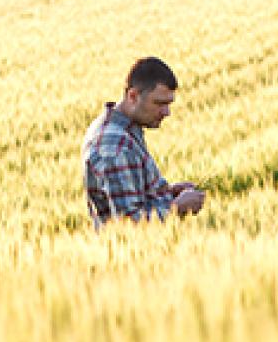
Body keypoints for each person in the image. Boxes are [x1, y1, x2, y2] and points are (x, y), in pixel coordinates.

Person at [82, 56, 205, 229]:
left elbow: (131, 195)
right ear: (133, 96)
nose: (167, 112)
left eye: (169, 104)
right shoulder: (115, 148)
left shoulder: (123, 128)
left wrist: (168, 193)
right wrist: (178, 208)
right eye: (159, 103)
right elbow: (130, 224)